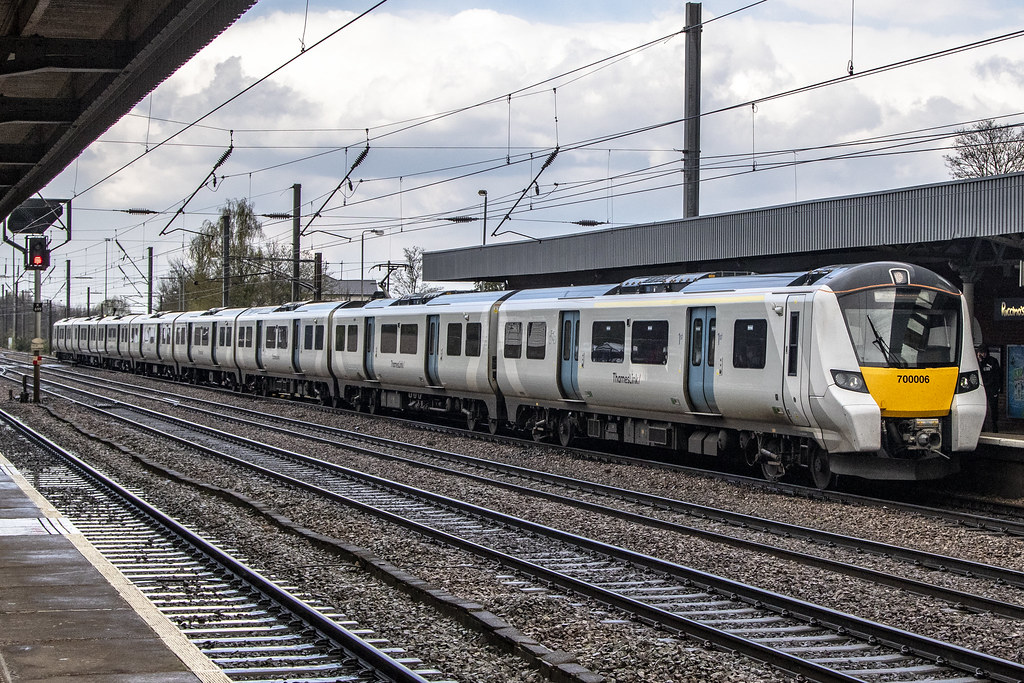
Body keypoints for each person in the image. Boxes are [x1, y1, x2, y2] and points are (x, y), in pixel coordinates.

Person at [977, 347, 1003, 432]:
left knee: (993, 408)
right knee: (982, 408)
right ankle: (982, 427)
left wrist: (997, 387)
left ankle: (995, 426)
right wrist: (980, 362)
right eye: (981, 352)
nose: (983, 354)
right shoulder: (977, 363)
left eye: (984, 352)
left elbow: (998, 374)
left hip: (992, 388)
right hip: (982, 388)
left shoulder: (993, 361)